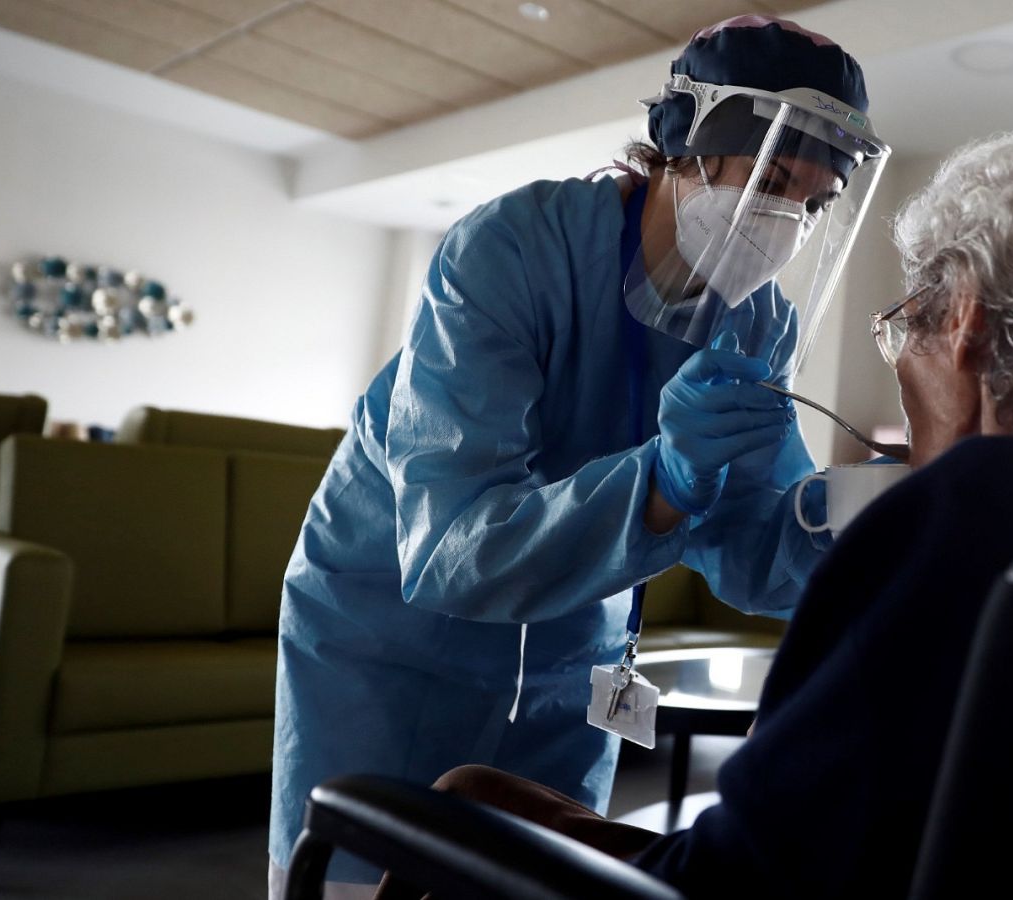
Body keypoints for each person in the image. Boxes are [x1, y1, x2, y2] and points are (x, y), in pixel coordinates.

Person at [373, 126, 1013, 899]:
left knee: (457, 800)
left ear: (967, 318)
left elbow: (738, 872)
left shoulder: (937, 533)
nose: (902, 356)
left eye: (908, 324)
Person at [267, 16, 891, 897]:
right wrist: (663, 483)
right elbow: (450, 552)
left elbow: (753, 554)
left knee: (540, 878)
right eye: (769, 180)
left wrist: (867, 516)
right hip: (392, 634)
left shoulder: (760, 321)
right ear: (682, 144)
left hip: (578, 641)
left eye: (814, 203)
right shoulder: (513, 251)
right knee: (363, 873)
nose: (785, 220)